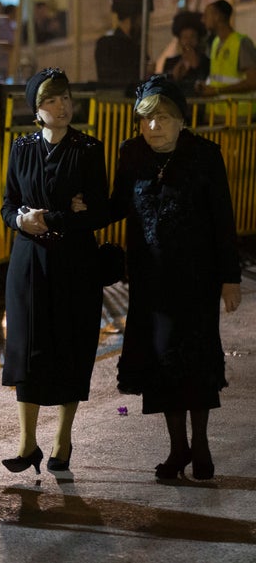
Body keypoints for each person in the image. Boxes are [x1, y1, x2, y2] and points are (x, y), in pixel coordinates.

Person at [109, 75, 241, 480]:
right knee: (163, 365)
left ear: (181, 120)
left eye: (163, 118)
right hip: (151, 283)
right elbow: (116, 205)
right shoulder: (131, 154)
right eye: (146, 119)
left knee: (196, 361)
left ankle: (200, 445)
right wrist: (74, 210)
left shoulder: (204, 155)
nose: (153, 127)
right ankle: (177, 448)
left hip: (196, 281)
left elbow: (223, 221)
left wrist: (229, 278)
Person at [0, 68, 110, 475]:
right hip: (28, 261)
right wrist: (19, 222)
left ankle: (63, 440)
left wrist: (57, 218)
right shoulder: (21, 148)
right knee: (26, 347)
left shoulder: (88, 148)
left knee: (70, 345)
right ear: (36, 110)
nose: (61, 107)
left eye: (65, 98)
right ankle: (27, 442)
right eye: (51, 101)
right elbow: (8, 202)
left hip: (74, 262)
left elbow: (98, 210)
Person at [196, 0, 256, 118]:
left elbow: (253, 82)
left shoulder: (242, 43)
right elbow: (219, 78)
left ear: (217, 16)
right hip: (217, 116)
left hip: (238, 118)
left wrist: (217, 91)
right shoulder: (215, 43)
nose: (203, 20)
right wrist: (207, 86)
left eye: (206, 15)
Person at [95, 0, 150, 87]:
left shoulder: (105, 43)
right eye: (140, 19)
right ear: (132, 19)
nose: (142, 25)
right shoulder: (109, 45)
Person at [160, 10, 210, 97]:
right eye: (185, 37)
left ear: (198, 40)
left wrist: (196, 66)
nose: (188, 41)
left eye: (192, 37)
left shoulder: (206, 62)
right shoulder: (170, 62)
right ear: (180, 40)